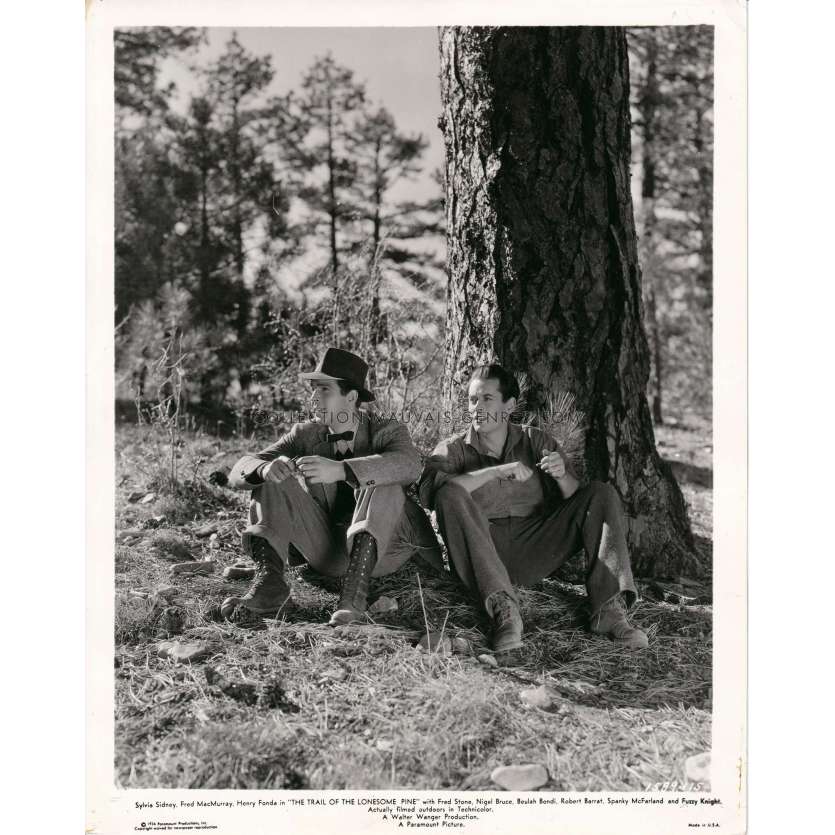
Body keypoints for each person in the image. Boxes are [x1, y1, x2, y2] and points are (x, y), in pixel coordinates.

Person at [418, 364, 648, 654]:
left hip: (537, 546)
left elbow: (578, 500)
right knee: (450, 491)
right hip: (484, 552)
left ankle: (608, 610)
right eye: (472, 400)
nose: (476, 408)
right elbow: (431, 493)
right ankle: (504, 611)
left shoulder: (536, 440)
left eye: (487, 399)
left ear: (509, 405)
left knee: (601, 493)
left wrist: (561, 474)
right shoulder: (452, 449)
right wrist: (494, 472)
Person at [222, 347, 442, 626]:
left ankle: (354, 597)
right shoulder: (305, 434)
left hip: (388, 552)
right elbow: (242, 467)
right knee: (272, 475)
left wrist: (341, 470)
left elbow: (409, 465)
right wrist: (266, 468)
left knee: (382, 482)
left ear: (351, 397)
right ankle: (270, 586)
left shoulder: (387, 429)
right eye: (313, 389)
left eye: (323, 389)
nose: (313, 397)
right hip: (330, 552)